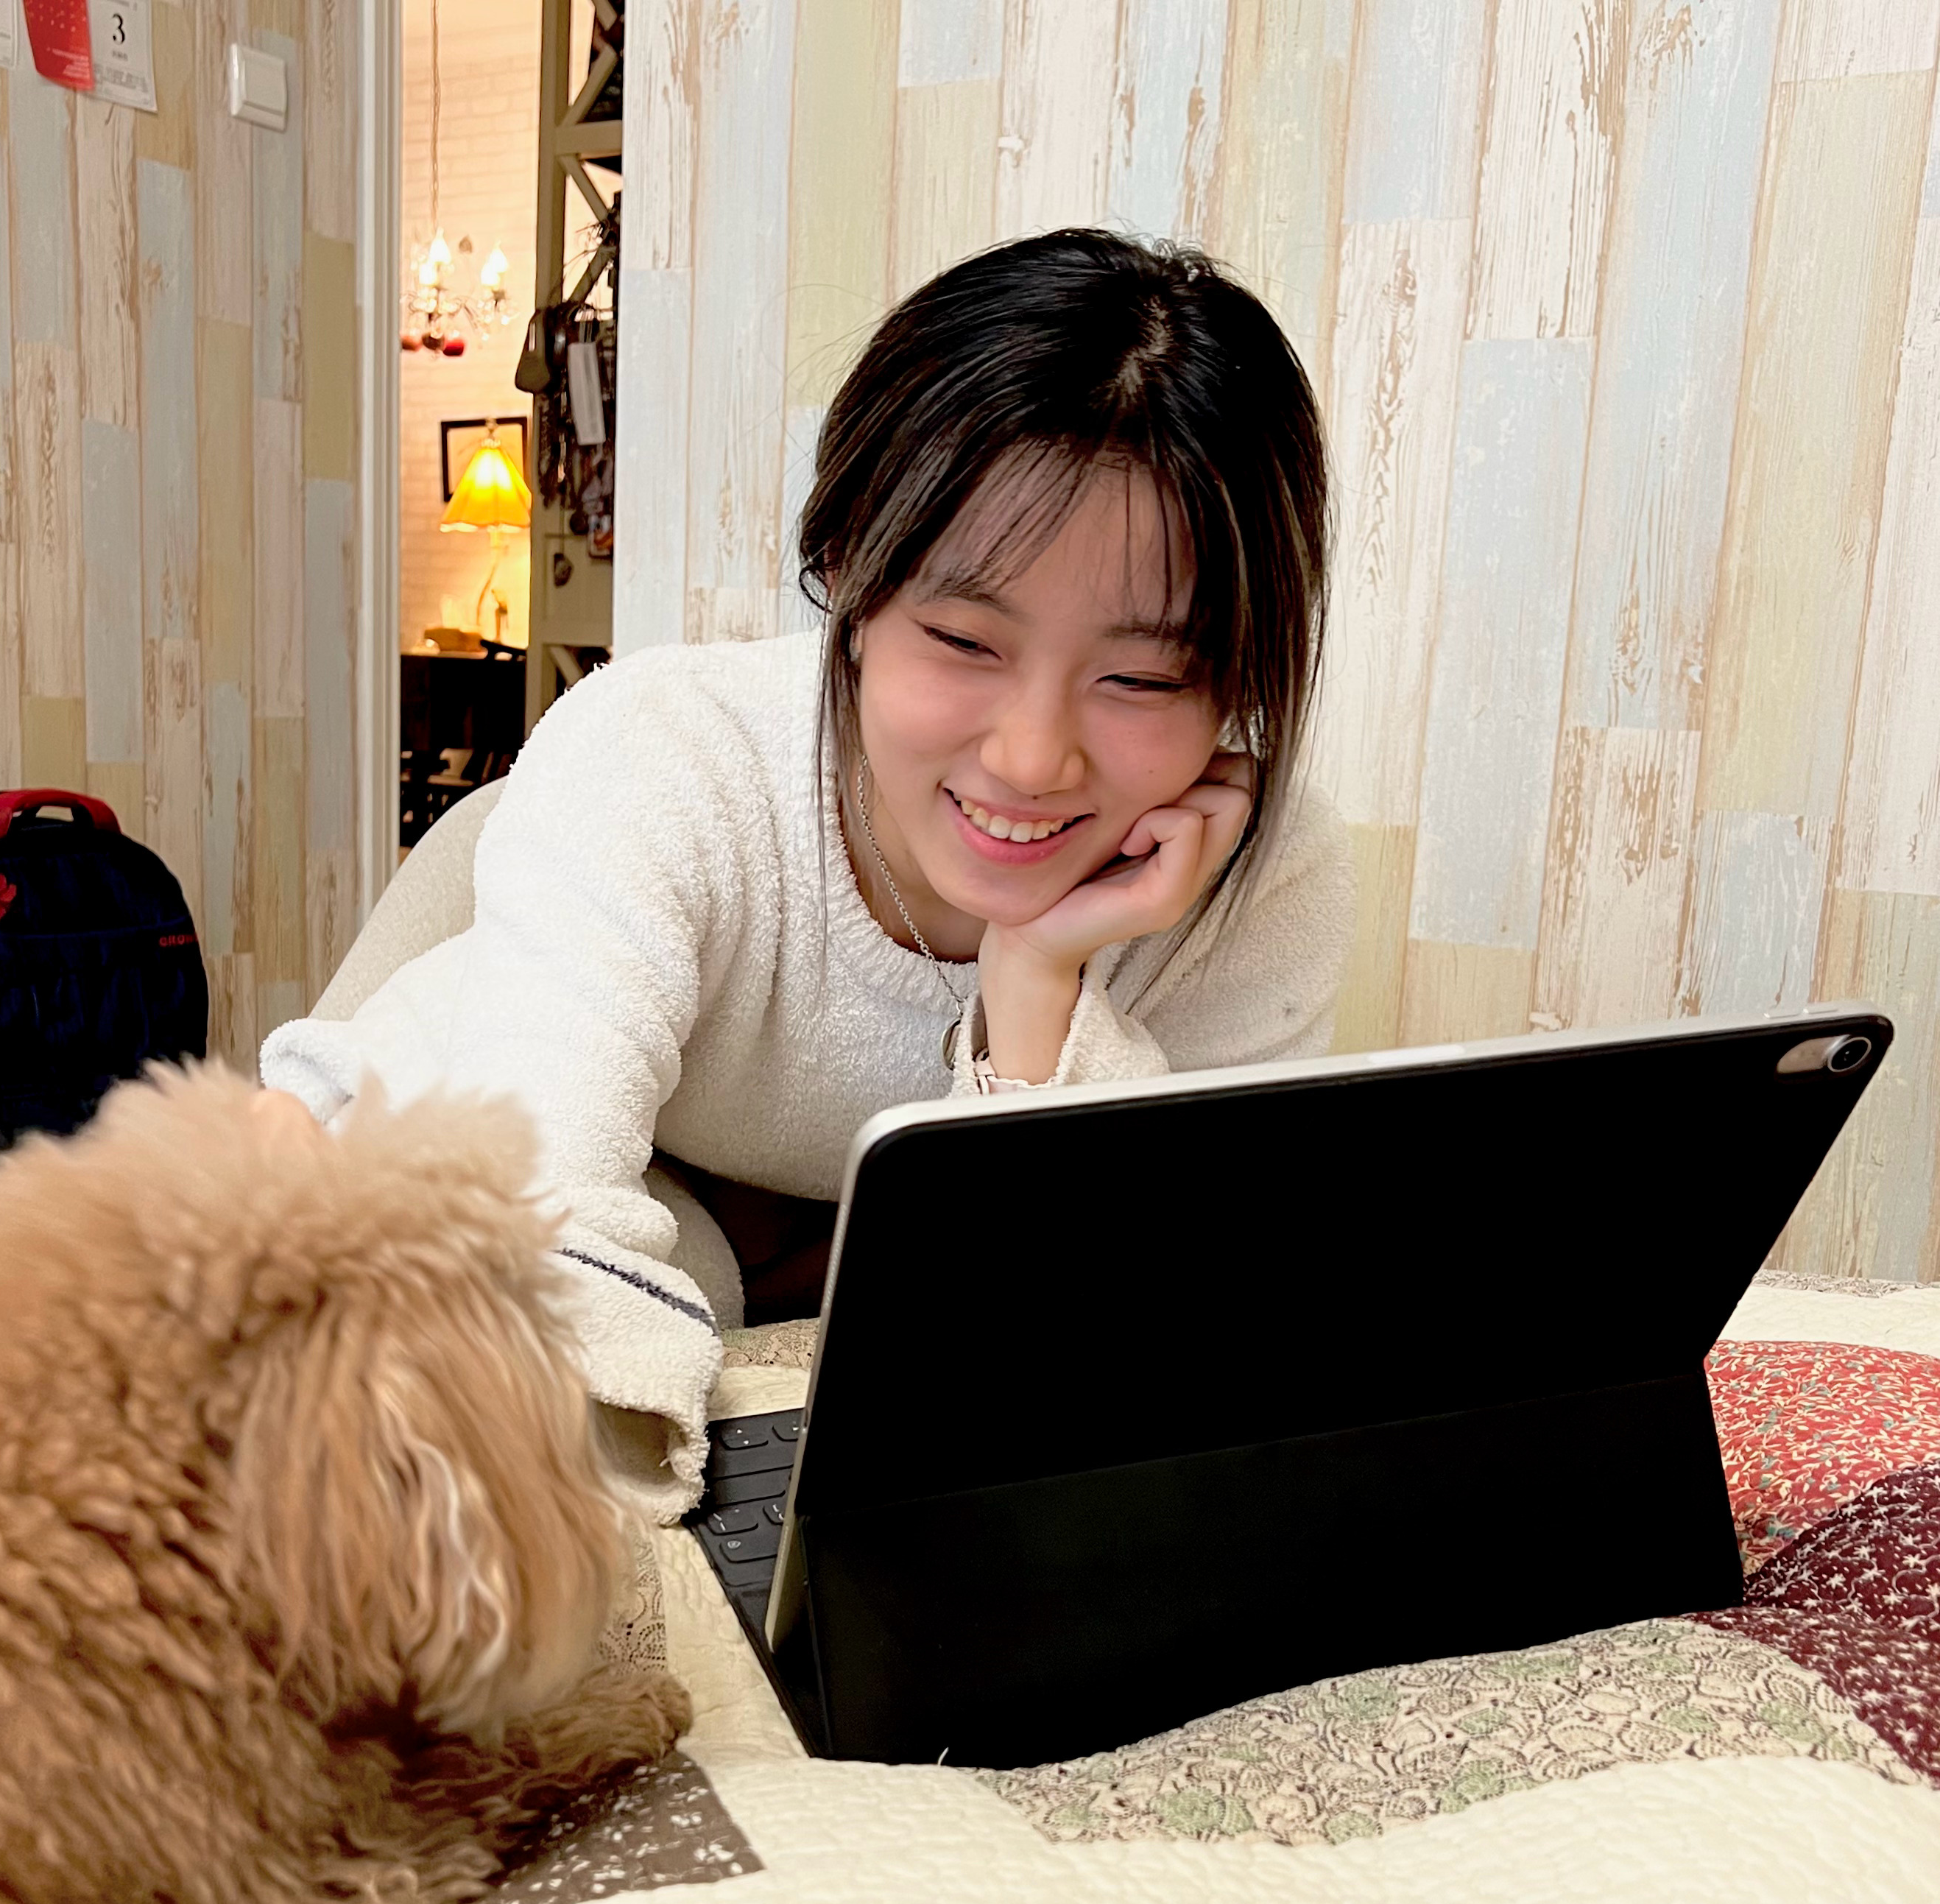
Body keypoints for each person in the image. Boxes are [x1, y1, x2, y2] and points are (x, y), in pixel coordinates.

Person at [262, 228, 1355, 1518]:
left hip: (744, 1257)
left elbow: (1151, 1360)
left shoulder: (1257, 875)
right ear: (845, 575)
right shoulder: (662, 754)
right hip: (404, 1177)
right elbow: (535, 1250)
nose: (1031, 757)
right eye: (962, 640)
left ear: (1238, 677)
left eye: (1141, 676)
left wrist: (1036, 989)